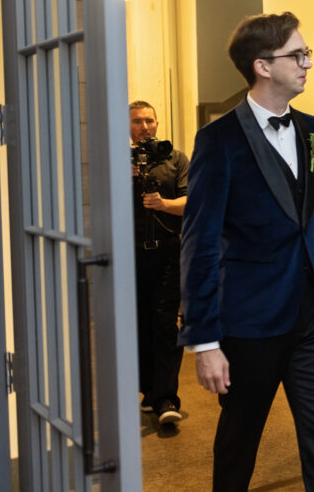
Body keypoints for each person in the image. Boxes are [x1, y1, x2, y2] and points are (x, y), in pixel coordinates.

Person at [179, 12, 314, 492]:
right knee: (239, 442)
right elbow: (200, 243)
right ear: (262, 65)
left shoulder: (313, 130)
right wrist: (204, 342)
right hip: (250, 321)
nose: (308, 63)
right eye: (299, 54)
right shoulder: (219, 140)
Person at [130, 100, 188, 427]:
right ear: (128, 126)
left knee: (165, 324)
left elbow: (190, 200)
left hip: (167, 252)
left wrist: (163, 204)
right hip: (130, 255)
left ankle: (167, 397)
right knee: (138, 324)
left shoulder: (174, 157)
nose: (145, 127)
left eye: (149, 120)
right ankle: (149, 391)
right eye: (137, 121)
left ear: (158, 122)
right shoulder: (119, 159)